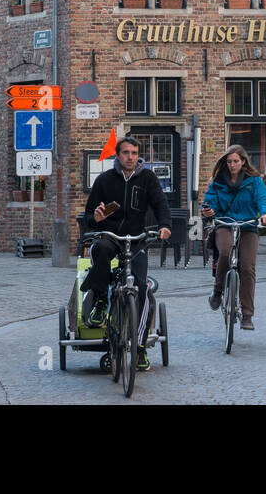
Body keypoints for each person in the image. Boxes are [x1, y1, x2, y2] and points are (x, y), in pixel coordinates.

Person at [81, 136, 172, 369]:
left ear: (138, 155)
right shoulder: (104, 180)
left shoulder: (148, 179)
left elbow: (161, 204)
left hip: (137, 239)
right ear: (117, 155)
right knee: (99, 249)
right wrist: (97, 218)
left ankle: (140, 348)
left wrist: (164, 225)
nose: (129, 157)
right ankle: (101, 298)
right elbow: (88, 217)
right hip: (111, 237)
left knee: (141, 288)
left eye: (133, 153)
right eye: (125, 153)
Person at [202, 146, 266, 327]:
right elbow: (209, 200)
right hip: (224, 224)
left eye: (235, 161)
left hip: (248, 225)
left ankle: (247, 314)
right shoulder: (218, 181)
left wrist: (265, 214)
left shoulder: (254, 181)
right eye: (229, 161)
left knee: (247, 267)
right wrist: (208, 210)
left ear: (243, 162)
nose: (232, 165)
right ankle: (217, 291)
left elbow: (262, 198)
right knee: (225, 252)